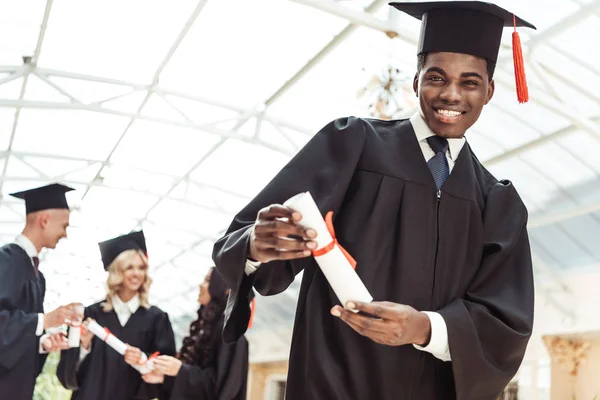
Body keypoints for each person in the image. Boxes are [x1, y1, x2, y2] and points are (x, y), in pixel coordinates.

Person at [212, 2, 536, 399]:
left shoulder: (497, 203)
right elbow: (241, 239)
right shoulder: (351, 146)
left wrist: (422, 327)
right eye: (437, 77)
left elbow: (505, 324)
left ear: (489, 91)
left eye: (470, 82)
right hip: (332, 383)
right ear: (416, 80)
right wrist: (258, 247)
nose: (451, 94)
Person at [57, 230, 176, 400]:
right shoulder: (90, 316)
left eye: (141, 268)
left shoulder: (157, 319)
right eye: (129, 267)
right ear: (116, 271)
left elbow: (166, 371)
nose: (137, 273)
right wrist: (84, 346)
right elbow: (67, 374)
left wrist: (143, 359)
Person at [0, 183, 81, 400]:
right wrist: (44, 321)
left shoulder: (38, 277)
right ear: (45, 221)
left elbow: (14, 342)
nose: (65, 234)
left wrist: (42, 343)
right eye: (64, 226)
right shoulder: (5, 261)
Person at [142, 267, 250, 400]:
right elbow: (196, 382)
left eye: (208, 280)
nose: (201, 285)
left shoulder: (230, 334)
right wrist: (166, 378)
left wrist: (180, 370)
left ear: (227, 290)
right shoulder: (206, 329)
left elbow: (224, 388)